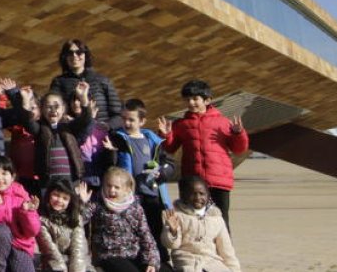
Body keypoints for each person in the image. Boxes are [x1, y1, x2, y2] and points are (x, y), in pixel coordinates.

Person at [157, 79, 248, 231]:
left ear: (207, 100)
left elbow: (239, 149)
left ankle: (224, 254)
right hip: (192, 181)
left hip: (219, 181)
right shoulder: (181, 124)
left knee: (221, 221)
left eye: (195, 99)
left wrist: (238, 133)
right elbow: (170, 148)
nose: (191, 103)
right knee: (193, 220)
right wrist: (166, 135)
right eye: (187, 100)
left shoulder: (223, 122)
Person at [105, 100, 173, 263]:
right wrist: (112, 153)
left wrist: (162, 172)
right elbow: (113, 165)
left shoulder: (152, 140)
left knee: (155, 230)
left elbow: (168, 163)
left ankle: (160, 262)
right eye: (124, 119)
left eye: (131, 120)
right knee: (135, 231)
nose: (126, 123)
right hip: (132, 196)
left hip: (153, 195)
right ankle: (138, 262)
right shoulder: (118, 138)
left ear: (142, 121)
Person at [12, 81, 93, 191]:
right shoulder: (40, 129)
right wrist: (26, 101)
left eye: (56, 106)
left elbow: (87, 118)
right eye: (48, 107)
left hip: (71, 180)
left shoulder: (70, 127)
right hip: (48, 182)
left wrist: (83, 97)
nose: (53, 110)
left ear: (63, 108)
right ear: (42, 110)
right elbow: (27, 121)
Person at [80, 168, 159, 272]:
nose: (112, 190)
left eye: (117, 187)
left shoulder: (135, 208)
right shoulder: (98, 204)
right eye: (109, 186)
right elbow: (80, 220)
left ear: (126, 189)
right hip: (109, 255)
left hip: (133, 253)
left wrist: (151, 261)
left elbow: (145, 235)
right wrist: (83, 203)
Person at [161, 177, 241, 272]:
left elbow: (227, 251)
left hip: (212, 263)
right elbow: (171, 245)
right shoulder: (176, 215)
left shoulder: (216, 218)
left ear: (208, 195)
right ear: (183, 195)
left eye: (202, 194)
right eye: (193, 194)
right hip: (187, 263)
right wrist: (173, 231)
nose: (198, 198)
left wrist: (234, 269)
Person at [46, 40, 122, 128]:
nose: (74, 56)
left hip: (103, 136)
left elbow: (118, 114)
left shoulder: (102, 80)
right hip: (74, 134)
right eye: (70, 53)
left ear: (85, 55)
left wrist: (106, 127)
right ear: (65, 57)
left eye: (79, 52)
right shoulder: (59, 82)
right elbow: (54, 109)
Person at [35, 178, 92, 272]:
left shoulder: (76, 218)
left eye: (65, 198)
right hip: (53, 264)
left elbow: (78, 247)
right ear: (49, 194)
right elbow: (50, 250)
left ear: (70, 201)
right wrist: (62, 269)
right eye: (56, 195)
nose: (59, 200)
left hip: (78, 263)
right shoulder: (41, 219)